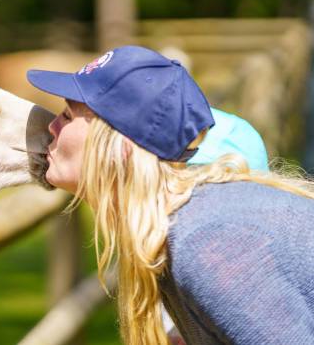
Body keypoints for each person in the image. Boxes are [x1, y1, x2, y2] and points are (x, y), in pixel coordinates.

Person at [26, 45, 314, 345]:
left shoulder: (208, 240)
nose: (51, 126)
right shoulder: (181, 228)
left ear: (120, 147)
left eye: (68, 116)